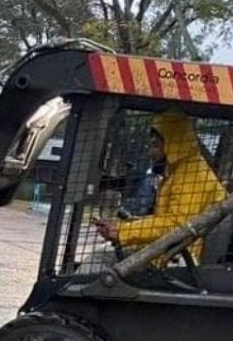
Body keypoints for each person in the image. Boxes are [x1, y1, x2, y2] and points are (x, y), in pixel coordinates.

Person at [93, 110, 226, 261]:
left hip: (180, 258)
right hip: (169, 251)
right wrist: (126, 225)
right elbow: (168, 221)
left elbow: (176, 226)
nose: (150, 153)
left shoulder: (193, 176)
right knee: (105, 254)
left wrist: (123, 231)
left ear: (173, 144)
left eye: (155, 146)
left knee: (100, 259)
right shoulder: (178, 172)